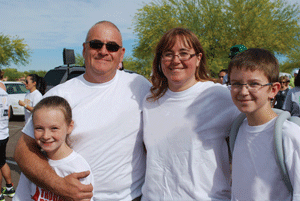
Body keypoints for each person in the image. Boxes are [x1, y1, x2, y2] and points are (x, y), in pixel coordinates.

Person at [14, 21, 151, 201]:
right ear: (85, 49)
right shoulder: (60, 95)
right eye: (96, 44)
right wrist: (58, 184)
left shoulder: (139, 86)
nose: (103, 51)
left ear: (121, 54)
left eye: (112, 46)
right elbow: (23, 151)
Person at [142, 27, 239, 200]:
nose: (175, 60)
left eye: (184, 53)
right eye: (168, 54)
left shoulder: (218, 96)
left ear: (198, 58)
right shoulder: (150, 100)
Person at [227, 48, 300, 200]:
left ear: (273, 90)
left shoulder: (289, 135)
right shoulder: (237, 130)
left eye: (254, 84)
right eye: (236, 84)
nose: (243, 91)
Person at [13, 96, 94, 201]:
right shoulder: (33, 166)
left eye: (54, 128)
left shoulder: (79, 168)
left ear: (70, 126)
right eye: (39, 128)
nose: (46, 136)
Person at [0, 83, 15, 201]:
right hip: (4, 132)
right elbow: (8, 114)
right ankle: (9, 188)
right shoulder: (4, 90)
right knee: (2, 162)